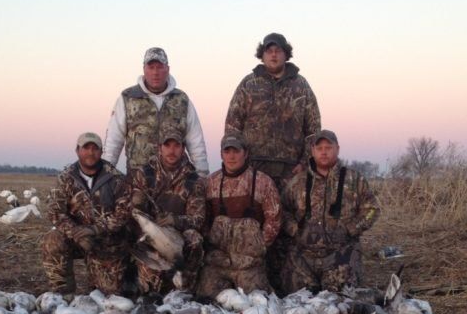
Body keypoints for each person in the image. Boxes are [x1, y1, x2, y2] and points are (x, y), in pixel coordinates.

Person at [280, 130, 380, 293]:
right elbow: (282, 210)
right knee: (295, 302)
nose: (324, 152)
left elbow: (372, 210)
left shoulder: (354, 179)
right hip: (303, 255)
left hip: (340, 254)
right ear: (313, 151)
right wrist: (294, 229)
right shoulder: (298, 181)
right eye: (319, 148)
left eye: (328, 147)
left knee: (340, 301)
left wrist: (351, 228)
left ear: (337, 149)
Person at [224, 32, 321, 190]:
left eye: (278, 50)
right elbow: (232, 126)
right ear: (262, 56)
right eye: (269, 51)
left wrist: (304, 162)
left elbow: (313, 128)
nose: (274, 54)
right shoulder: (248, 84)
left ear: (286, 54)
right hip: (254, 166)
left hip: (291, 169)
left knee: (291, 206)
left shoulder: (301, 85)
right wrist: (239, 162)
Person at [41, 132, 134, 295]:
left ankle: (99, 280)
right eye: (86, 148)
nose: (90, 152)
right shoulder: (66, 178)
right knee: (53, 240)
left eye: (95, 148)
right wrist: (76, 233)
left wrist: (95, 230)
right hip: (76, 238)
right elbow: (55, 212)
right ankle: (63, 294)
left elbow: (124, 213)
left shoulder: (116, 178)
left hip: (107, 241)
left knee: (108, 295)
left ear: (101, 152)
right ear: (77, 150)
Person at [196, 135, 281, 298]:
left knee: (257, 303)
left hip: (249, 265)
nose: (231, 156)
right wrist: (211, 250)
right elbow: (202, 220)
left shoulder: (263, 182)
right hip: (218, 264)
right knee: (204, 301)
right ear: (221, 154)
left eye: (236, 151)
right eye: (227, 151)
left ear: (245, 153)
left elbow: (274, 220)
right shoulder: (210, 183)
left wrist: (259, 247)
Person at [103, 47, 209, 176]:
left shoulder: (182, 100)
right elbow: (113, 140)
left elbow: (196, 141)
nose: (155, 72)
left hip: (175, 181)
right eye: (151, 67)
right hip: (138, 181)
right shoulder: (127, 98)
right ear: (144, 69)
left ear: (167, 69)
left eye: (159, 67)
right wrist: (106, 174)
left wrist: (202, 174)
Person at [129, 122, 207, 294]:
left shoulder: (194, 180)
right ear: (160, 148)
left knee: (194, 239)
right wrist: (144, 216)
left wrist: (175, 220)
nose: (172, 150)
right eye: (167, 145)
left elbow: (198, 219)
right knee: (152, 292)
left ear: (183, 148)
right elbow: (134, 211)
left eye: (176, 146)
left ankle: (185, 287)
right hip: (151, 236)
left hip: (178, 237)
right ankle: (147, 283)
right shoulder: (145, 174)